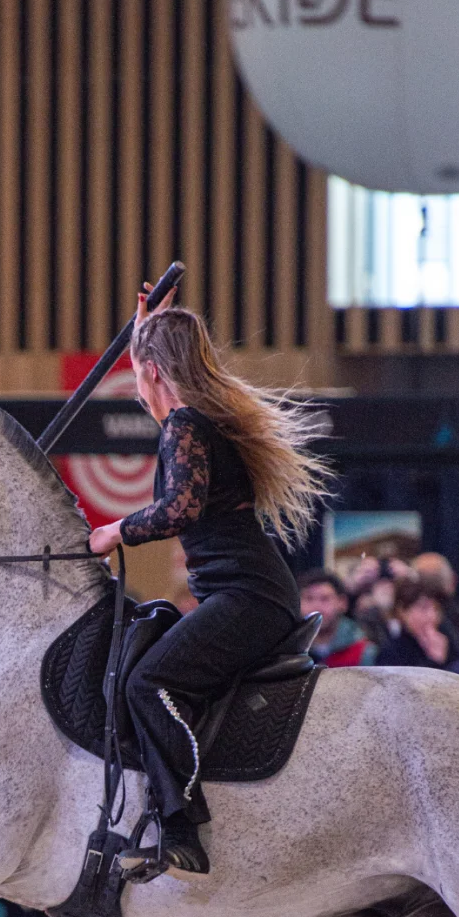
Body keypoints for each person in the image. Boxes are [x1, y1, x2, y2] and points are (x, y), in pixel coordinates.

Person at [88, 292, 330, 878]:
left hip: (247, 596)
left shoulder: (185, 425)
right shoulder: (195, 420)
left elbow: (180, 509)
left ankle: (181, 827)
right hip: (253, 590)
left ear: (150, 372)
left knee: (148, 682)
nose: (140, 387)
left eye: (139, 374)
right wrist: (145, 336)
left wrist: (112, 531)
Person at [374, 576, 459, 670]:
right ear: (402, 612)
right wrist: (435, 662)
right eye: (423, 608)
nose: (432, 615)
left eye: (436, 609)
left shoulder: (446, 638)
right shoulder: (392, 652)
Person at [297, 568, 376, 667]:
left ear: (342, 603)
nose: (316, 606)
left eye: (325, 598)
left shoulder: (364, 650)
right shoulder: (290, 650)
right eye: (309, 598)